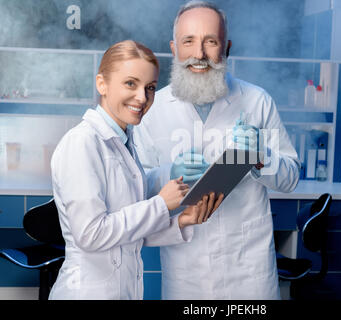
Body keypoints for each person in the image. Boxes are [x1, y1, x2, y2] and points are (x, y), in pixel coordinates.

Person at [134, 1, 300, 300]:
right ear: (174, 48)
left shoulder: (257, 101)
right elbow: (136, 188)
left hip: (248, 268)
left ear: (227, 48)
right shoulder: (152, 109)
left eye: (211, 41)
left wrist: (262, 156)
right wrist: (166, 175)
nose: (199, 54)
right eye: (189, 41)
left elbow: (290, 179)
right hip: (188, 268)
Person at [49, 40, 223, 300]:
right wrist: (161, 204)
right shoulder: (82, 142)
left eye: (150, 88)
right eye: (130, 83)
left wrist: (182, 220)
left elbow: (128, 236)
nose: (142, 98)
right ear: (102, 84)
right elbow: (91, 234)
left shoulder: (124, 140)